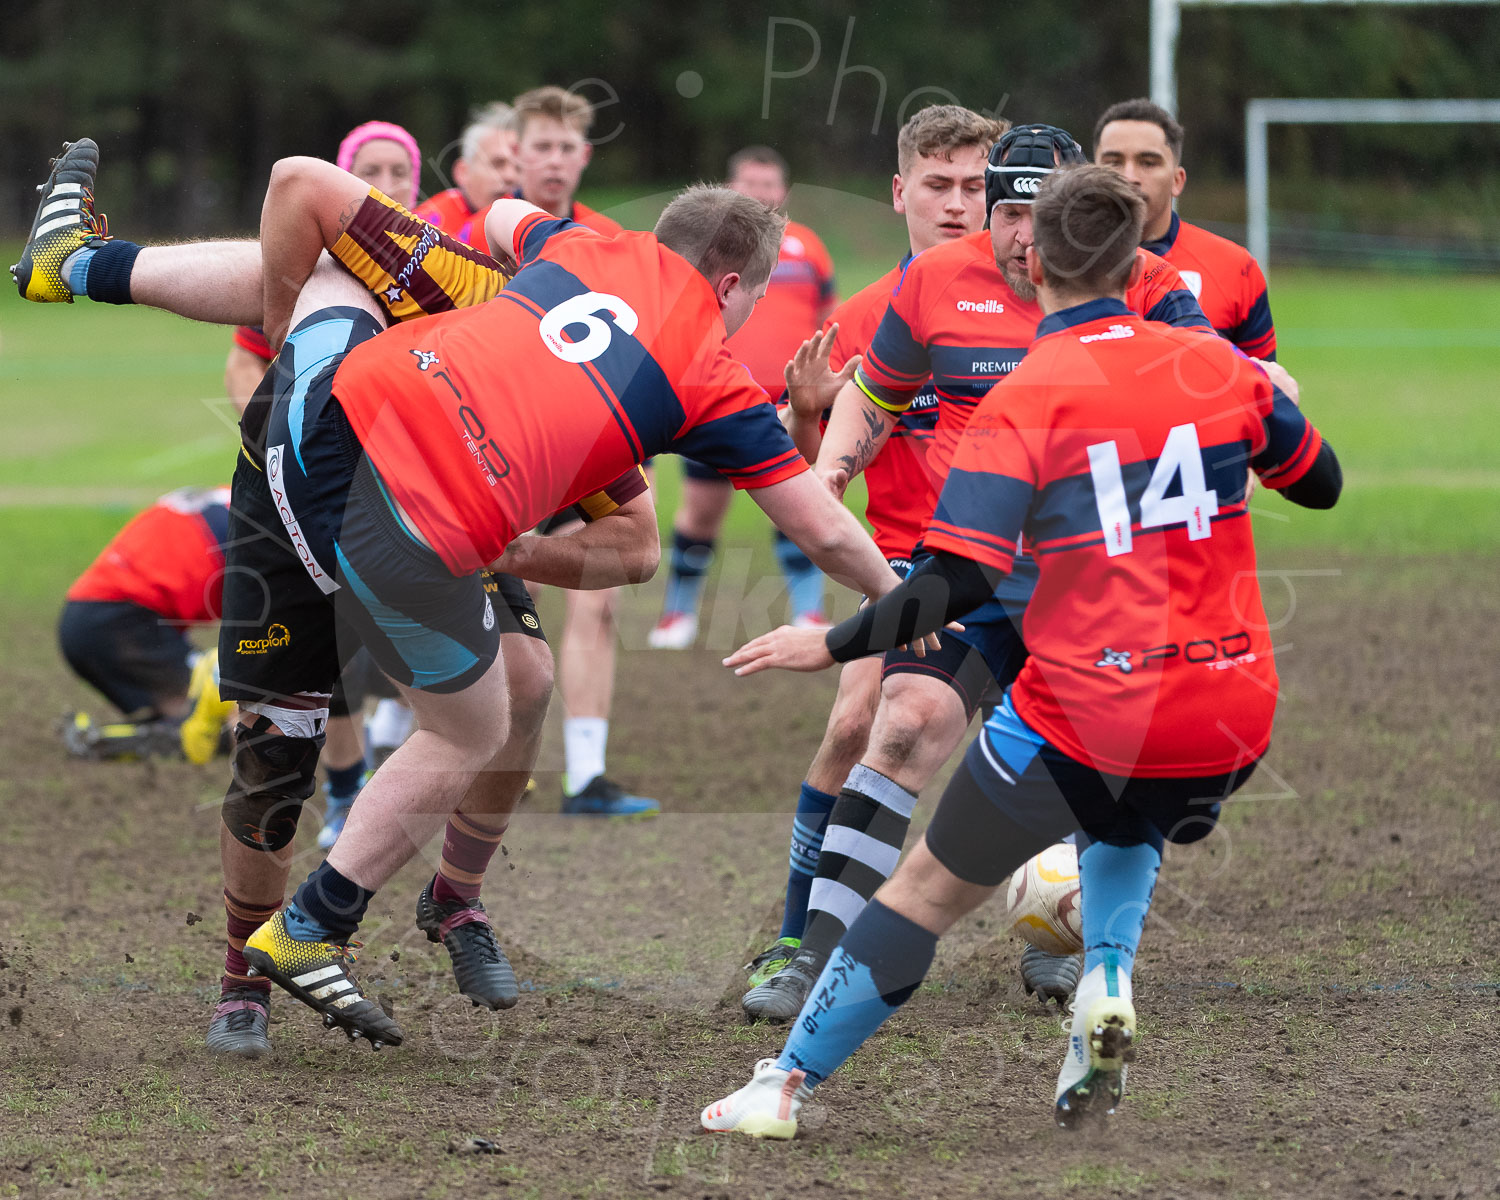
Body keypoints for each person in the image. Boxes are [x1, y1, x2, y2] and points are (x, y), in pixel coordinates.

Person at [13, 140, 908, 1056]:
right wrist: (913, 602)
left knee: (519, 680)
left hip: (361, 436)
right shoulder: (691, 368)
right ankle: (277, 953)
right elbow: (828, 532)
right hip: (371, 485)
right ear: (728, 288)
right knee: (322, 748)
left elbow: (635, 538)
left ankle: (451, 900)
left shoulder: (566, 251)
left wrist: (514, 535)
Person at [702, 163, 1342, 1138]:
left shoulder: (1025, 396)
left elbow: (952, 581)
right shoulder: (1217, 366)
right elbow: (1321, 481)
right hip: (1234, 710)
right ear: (1140, 262)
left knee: (922, 893)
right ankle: (1108, 980)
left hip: (1096, 705)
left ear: (1034, 259)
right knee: (1126, 818)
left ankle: (782, 1086)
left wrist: (828, 641)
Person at [740, 124, 1213, 1023]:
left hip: (1095, 577)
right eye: (1005, 212)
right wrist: (831, 475)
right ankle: (815, 960)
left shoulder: (1139, 279)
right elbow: (875, 396)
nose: (1019, 236)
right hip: (969, 563)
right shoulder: (930, 283)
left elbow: (1216, 376)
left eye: (1038, 214)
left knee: (1088, 760)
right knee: (898, 720)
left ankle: (1064, 947)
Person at [737, 105, 1007, 994]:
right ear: (900, 193)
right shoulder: (863, 318)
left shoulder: (1036, 308)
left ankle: (1056, 926)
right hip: (908, 568)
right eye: (938, 186)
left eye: (977, 186)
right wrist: (811, 413)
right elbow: (813, 488)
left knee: (1058, 728)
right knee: (858, 722)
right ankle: (795, 940)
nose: (959, 206)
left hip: (1026, 568)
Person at [223, 121, 427, 849]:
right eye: (370, 169)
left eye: (398, 171)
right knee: (325, 652)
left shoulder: (430, 264)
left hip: (409, 484)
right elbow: (250, 353)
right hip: (315, 475)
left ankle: (415, 780)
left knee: (453, 659)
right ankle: (345, 789)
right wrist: (283, 428)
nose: (388, 183)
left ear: (417, 182)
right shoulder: (313, 261)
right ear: (348, 180)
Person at [649, 146, 838, 650]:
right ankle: (678, 614)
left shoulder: (810, 248)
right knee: (700, 510)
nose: (761, 193)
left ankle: (809, 611)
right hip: (716, 398)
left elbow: (830, 319)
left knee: (800, 501)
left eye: (769, 184)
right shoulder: (710, 250)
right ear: (729, 187)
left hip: (790, 403)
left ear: (785, 191)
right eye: (749, 183)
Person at [58, 486, 236, 764]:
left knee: (189, 721)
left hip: (83, 616)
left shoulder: (234, 495)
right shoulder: (267, 524)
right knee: (235, 710)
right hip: (120, 620)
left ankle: (106, 740)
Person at [1094, 98, 1276, 358]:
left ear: (1177, 181)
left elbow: (1262, 387)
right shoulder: (1058, 266)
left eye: (1148, 162)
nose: (1129, 176)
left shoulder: (1236, 269)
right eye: (1113, 162)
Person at [414, 102, 520, 245]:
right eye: (498, 164)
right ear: (462, 172)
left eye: (519, 167)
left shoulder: (531, 218)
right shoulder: (425, 226)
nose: (510, 176)